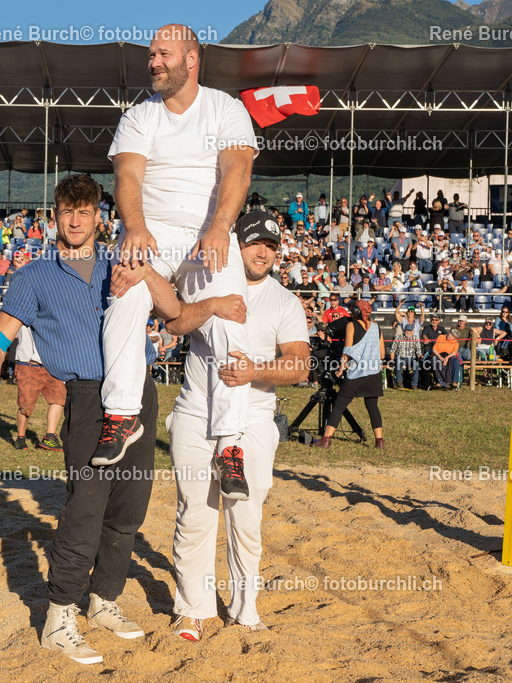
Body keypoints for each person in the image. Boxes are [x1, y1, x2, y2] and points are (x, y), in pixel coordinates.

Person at [0, 174, 180, 666]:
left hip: (139, 393)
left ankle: (103, 600)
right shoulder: (33, 276)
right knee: (84, 509)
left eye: (85, 210)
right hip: (87, 398)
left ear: (100, 216)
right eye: (68, 210)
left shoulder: (120, 264)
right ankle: (59, 616)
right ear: (55, 217)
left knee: (128, 509)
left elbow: (173, 312)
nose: (76, 219)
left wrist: (145, 272)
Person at [96, 24, 257, 501]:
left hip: (211, 230)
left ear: (191, 59)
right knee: (123, 294)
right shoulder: (139, 116)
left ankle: (230, 447)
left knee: (231, 321)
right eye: (150, 55)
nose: (153, 63)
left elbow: (238, 168)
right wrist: (135, 226)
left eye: (163, 54)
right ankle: (123, 416)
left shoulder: (226, 108)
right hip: (156, 230)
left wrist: (221, 225)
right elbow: (127, 173)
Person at [150, 210, 307, 639]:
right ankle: (193, 608)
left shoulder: (284, 301)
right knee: (196, 515)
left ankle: (244, 608)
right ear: (237, 244)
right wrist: (212, 305)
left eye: (271, 246)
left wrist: (256, 370)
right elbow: (174, 324)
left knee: (246, 517)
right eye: (255, 242)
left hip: (255, 418)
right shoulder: (206, 277)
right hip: (196, 412)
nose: (262, 252)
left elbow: (299, 365)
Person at [312, 299, 385, 449]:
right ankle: (380, 442)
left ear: (356, 312)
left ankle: (325, 440)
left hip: (357, 373)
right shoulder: (377, 328)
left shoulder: (351, 325)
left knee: (339, 405)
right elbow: (382, 354)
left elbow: (347, 350)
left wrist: (340, 369)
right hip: (374, 373)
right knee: (372, 407)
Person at [12, 324, 66, 451]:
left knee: (59, 399)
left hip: (52, 365)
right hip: (28, 365)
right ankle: (20, 438)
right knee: (26, 406)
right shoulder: (24, 312)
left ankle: (50, 437)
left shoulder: (52, 313)